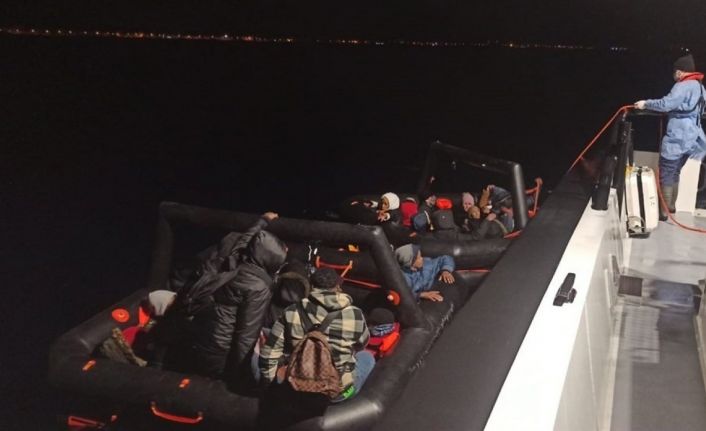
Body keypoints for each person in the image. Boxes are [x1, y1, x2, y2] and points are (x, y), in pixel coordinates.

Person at [192, 211, 287, 385]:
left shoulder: (233, 261)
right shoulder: (258, 287)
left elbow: (245, 241)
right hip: (221, 348)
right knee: (214, 384)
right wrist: (243, 375)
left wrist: (263, 221)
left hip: (201, 333)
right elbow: (246, 335)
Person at [258, 267, 374, 402]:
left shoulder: (291, 312)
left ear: (311, 286)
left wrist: (272, 388)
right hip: (337, 394)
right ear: (338, 287)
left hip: (298, 388)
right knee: (367, 357)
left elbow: (268, 355)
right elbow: (362, 343)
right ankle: (346, 397)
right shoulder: (355, 314)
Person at [634, 52, 706, 220]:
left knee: (666, 171)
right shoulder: (700, 87)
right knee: (675, 172)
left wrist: (646, 104)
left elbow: (666, 104)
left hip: (678, 136)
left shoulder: (682, 86)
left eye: (674, 72)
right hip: (693, 136)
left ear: (679, 72)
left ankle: (663, 212)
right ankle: (671, 207)